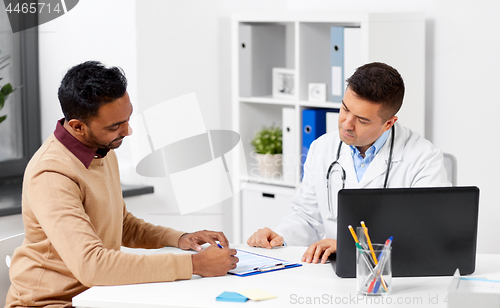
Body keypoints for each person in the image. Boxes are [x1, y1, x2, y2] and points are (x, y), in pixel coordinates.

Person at [5, 61, 238, 308]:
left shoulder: (101, 150)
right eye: (115, 126)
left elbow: (121, 224)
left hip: (97, 296)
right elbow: (92, 265)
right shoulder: (51, 173)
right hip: (52, 303)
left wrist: (181, 238)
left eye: (126, 119)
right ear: (77, 126)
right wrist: (195, 265)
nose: (128, 131)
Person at [247, 62, 450, 264]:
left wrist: (349, 245)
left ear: (388, 123)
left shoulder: (423, 158)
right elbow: (307, 217)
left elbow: (429, 232)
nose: (346, 124)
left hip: (392, 272)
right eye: (345, 109)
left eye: (362, 120)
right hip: (332, 270)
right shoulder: (322, 148)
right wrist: (280, 237)